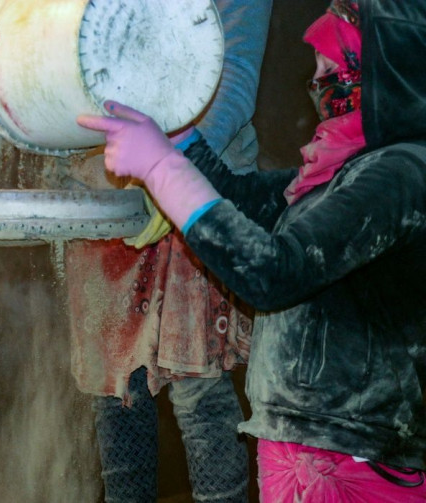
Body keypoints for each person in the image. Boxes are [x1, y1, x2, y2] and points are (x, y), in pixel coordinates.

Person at [0, 1, 272, 501]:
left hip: (201, 176)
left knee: (199, 392)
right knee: (116, 394)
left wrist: (174, 176)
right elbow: (20, 64)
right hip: (104, 191)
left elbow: (235, 75)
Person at [77, 0, 426, 501]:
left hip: (354, 464)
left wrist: (160, 168)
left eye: (333, 71)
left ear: (383, 72)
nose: (318, 86)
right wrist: (178, 136)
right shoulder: (338, 173)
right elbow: (240, 197)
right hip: (303, 453)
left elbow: (271, 272)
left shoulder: (398, 175)